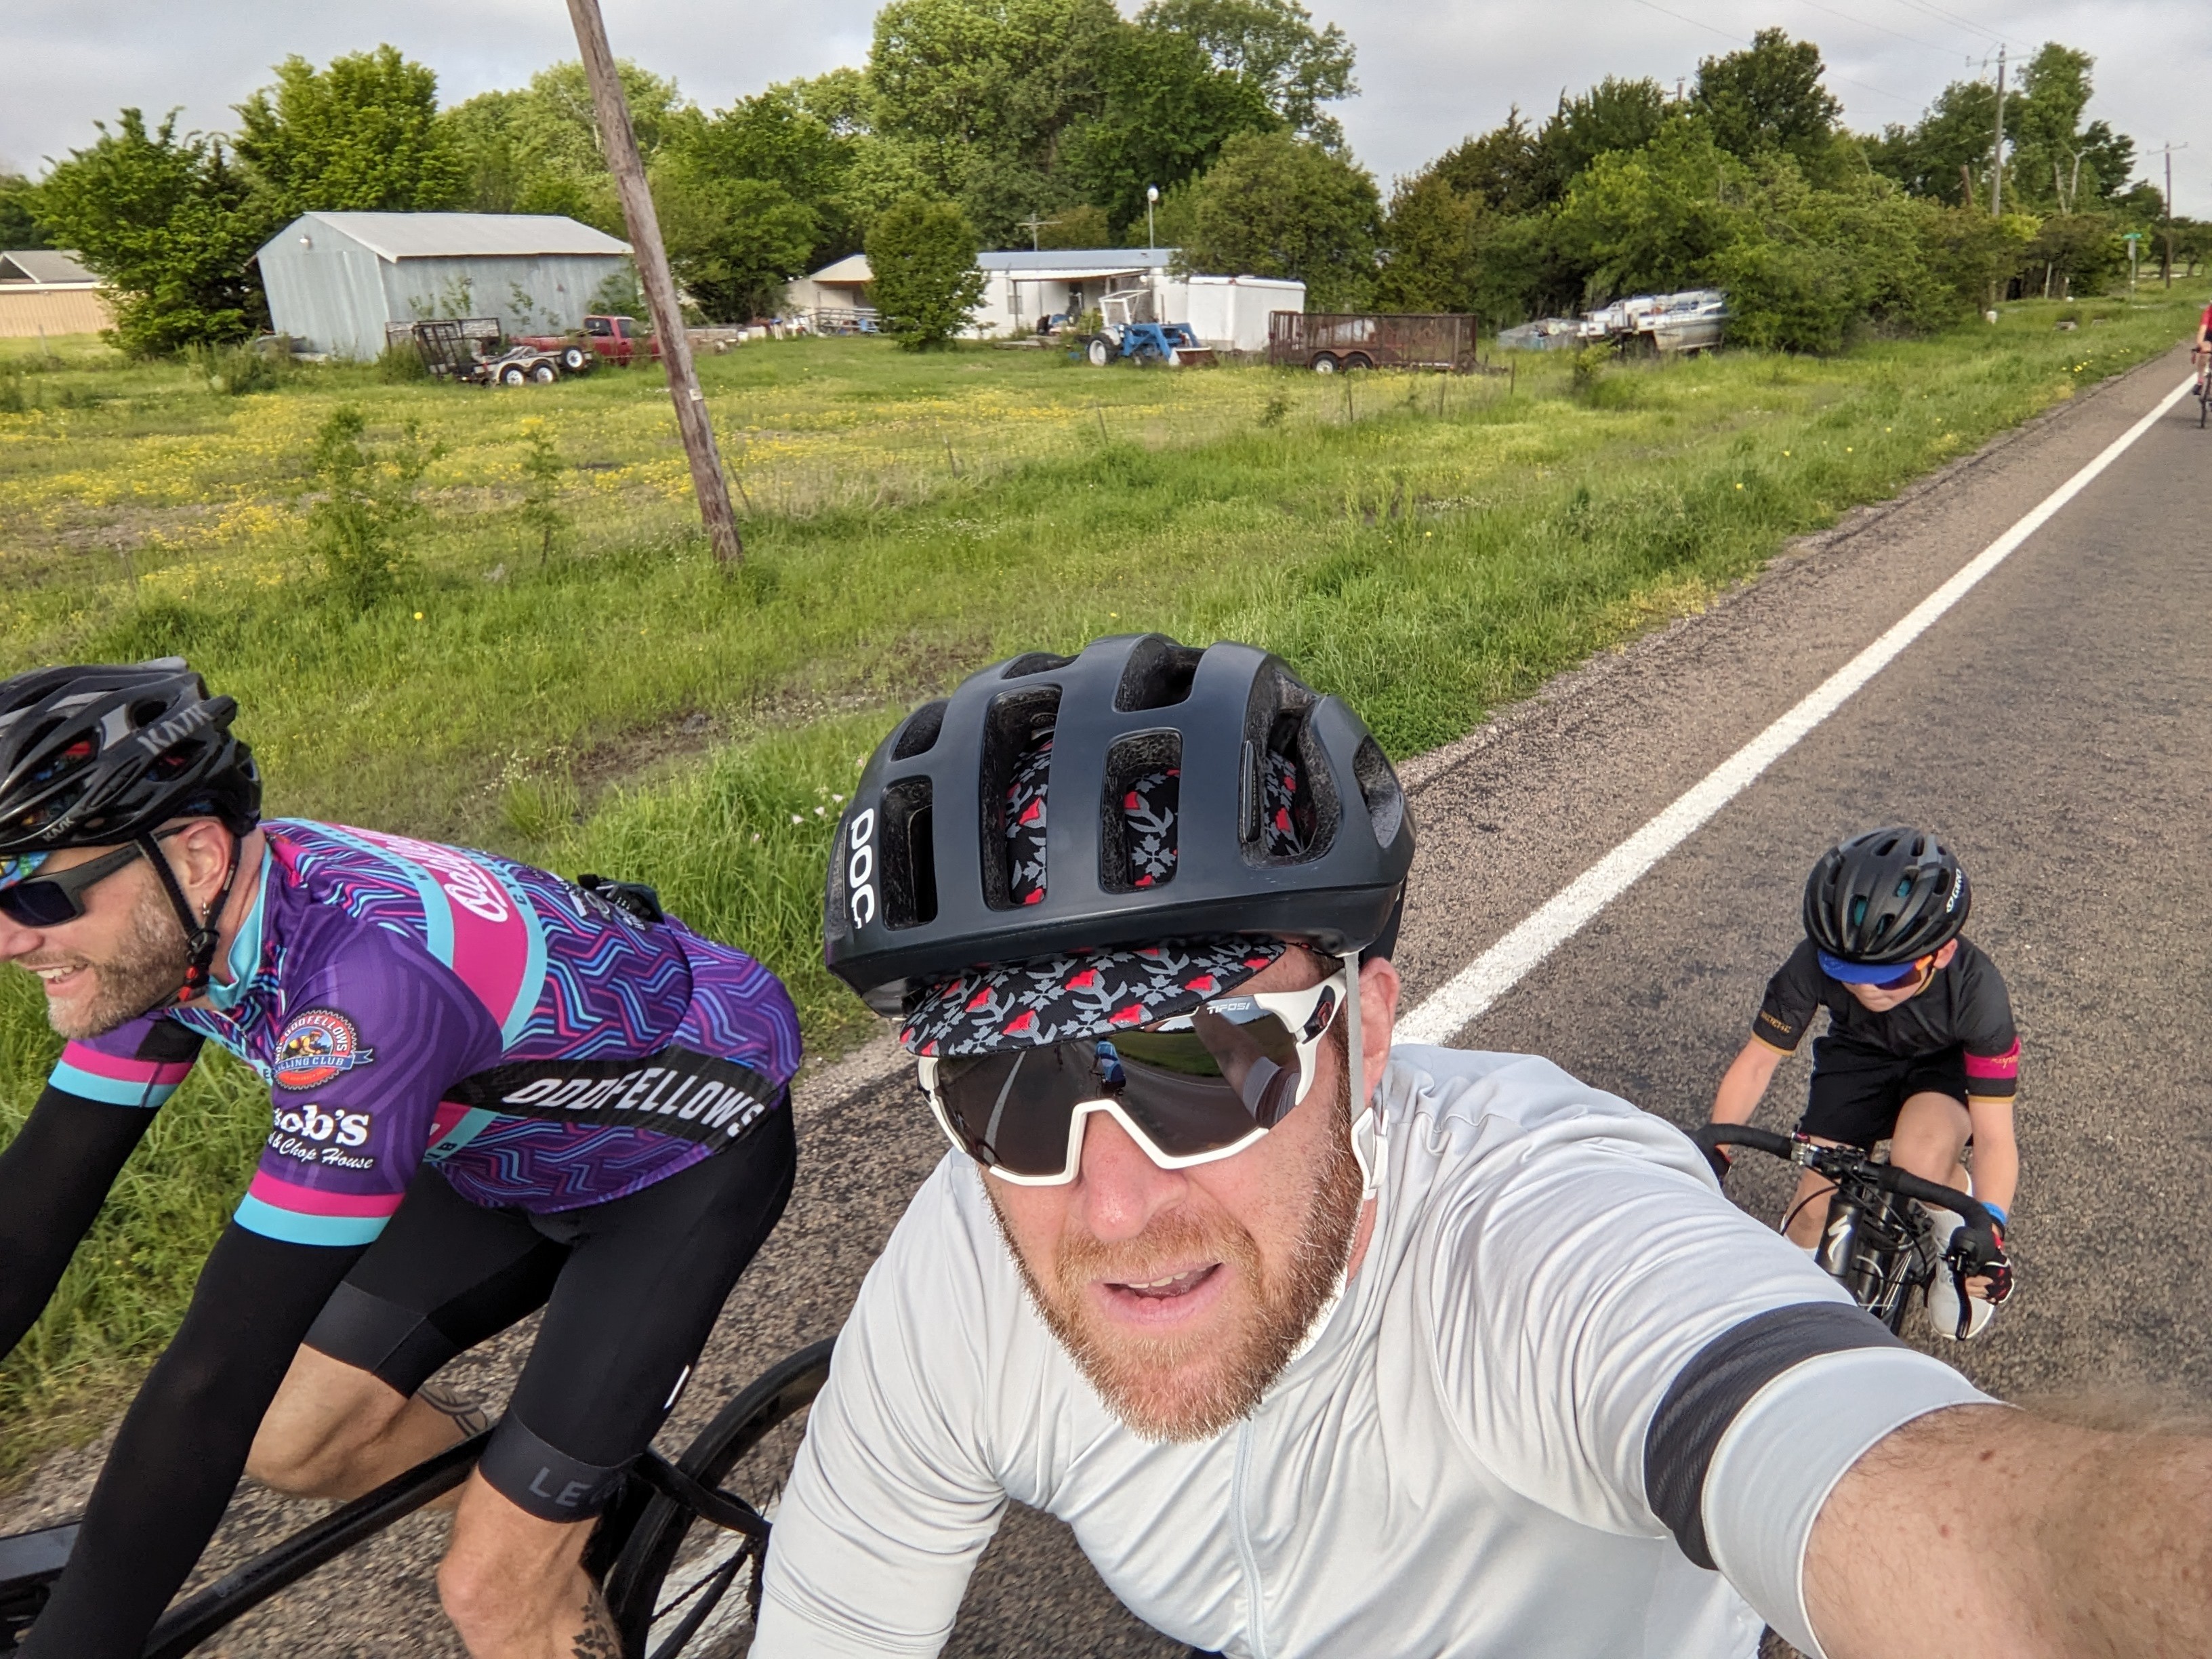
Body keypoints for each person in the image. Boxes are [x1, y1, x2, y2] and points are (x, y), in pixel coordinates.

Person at [758, 633, 2212, 1659]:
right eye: (1003, 1086)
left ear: (1368, 1033)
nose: (1115, 1204)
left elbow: (2003, 1552)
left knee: (1917, 1137)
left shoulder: (1543, 1232)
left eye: (1205, 1059)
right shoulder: (963, 1259)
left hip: (1933, 1098)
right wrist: (1723, 1132)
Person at [0, 660, 801, 1659]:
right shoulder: (165, 941)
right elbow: (26, 1228)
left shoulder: (367, 990)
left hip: (676, 1167)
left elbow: (211, 1376)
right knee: (290, 1438)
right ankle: (570, 1515)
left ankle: (534, 1550)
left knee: (490, 1592)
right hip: (493, 1155)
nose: (8, 941)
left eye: (34, 898)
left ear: (197, 857)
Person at [1704, 828, 2018, 1339]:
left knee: (1919, 1158)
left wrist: (1988, 1223)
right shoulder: (1811, 957)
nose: (1867, 989)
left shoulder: (1979, 992)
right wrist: (1714, 1152)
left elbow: (1996, 1137)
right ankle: (1788, 1319)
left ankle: (1947, 1226)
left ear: (1940, 954)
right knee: (1812, 1199)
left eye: (1891, 977)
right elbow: (1757, 1063)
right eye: (1844, 971)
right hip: (1858, 1058)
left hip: (1942, 1068)